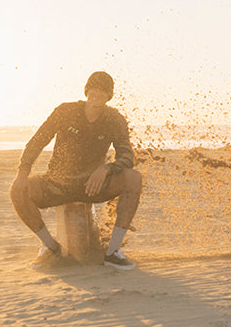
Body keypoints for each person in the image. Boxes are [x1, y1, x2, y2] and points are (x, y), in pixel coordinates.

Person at [10, 71, 142, 270]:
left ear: (109, 96)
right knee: (18, 190)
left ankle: (113, 252)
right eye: (94, 90)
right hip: (57, 183)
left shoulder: (115, 119)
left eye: (103, 92)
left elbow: (126, 157)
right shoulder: (65, 111)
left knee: (133, 178)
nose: (97, 95)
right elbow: (37, 142)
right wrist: (23, 172)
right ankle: (50, 247)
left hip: (92, 186)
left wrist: (106, 168)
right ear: (87, 91)